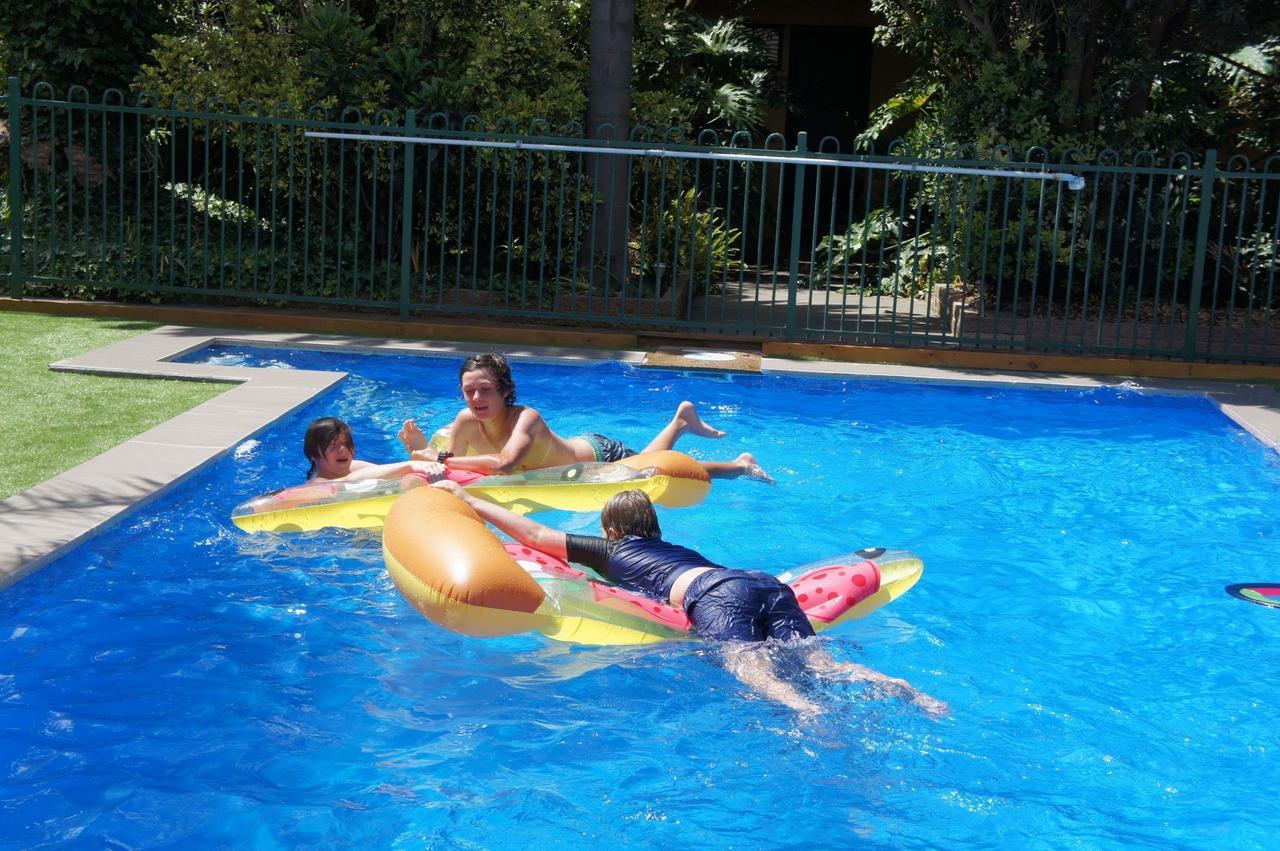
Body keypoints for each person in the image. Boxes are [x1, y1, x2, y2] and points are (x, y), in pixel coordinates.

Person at [432, 480, 947, 718]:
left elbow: (537, 537)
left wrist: (471, 501)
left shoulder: (611, 550)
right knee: (819, 663)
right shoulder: (676, 548)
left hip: (716, 596)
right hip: (762, 582)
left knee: (747, 667)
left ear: (611, 529)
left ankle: (802, 712)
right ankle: (899, 687)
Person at [397, 353, 773, 482]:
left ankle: (738, 464)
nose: (476, 398)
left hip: (597, 455)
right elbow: (452, 469)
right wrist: (423, 449)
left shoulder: (526, 417)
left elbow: (504, 464)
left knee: (657, 472)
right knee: (652, 462)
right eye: (469, 391)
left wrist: (438, 455)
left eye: (486, 390)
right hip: (570, 459)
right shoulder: (465, 420)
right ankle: (679, 422)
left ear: (506, 391)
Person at [304, 416, 446, 483]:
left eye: (346, 443)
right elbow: (347, 481)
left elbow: (392, 475)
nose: (343, 450)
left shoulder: (355, 466)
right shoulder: (317, 484)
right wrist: (411, 464)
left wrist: (417, 456)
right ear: (312, 455)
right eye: (332, 446)